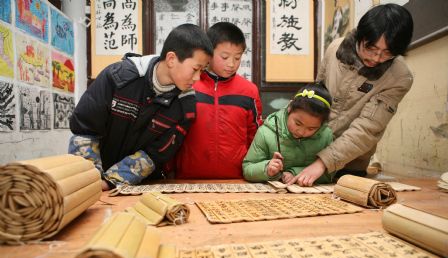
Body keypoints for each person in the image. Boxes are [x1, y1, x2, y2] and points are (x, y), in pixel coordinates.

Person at [69, 24, 213, 190]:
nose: (197, 78)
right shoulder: (119, 78)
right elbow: (85, 131)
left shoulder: (185, 106)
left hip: (136, 186)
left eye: (202, 71)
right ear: (171, 59)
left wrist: (110, 182)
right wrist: (91, 182)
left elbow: (154, 154)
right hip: (91, 180)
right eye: (195, 69)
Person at [288, 3, 414, 187]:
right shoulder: (335, 49)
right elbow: (314, 98)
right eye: (371, 49)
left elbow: (367, 129)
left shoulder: (399, 77)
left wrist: (324, 162)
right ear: (360, 36)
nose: (377, 58)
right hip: (309, 149)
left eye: (387, 53)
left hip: (351, 163)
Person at [174, 22, 263, 179]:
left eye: (237, 57)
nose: (231, 64)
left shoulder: (249, 91)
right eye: (225, 57)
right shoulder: (189, 84)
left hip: (236, 180)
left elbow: (255, 137)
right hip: (187, 178)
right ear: (208, 53)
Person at [243, 83, 334, 184]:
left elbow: (330, 173)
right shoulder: (266, 132)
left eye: (311, 129)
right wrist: (267, 169)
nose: (301, 132)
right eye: (298, 123)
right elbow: (248, 168)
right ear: (289, 108)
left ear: (322, 124)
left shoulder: (326, 135)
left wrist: (295, 173)